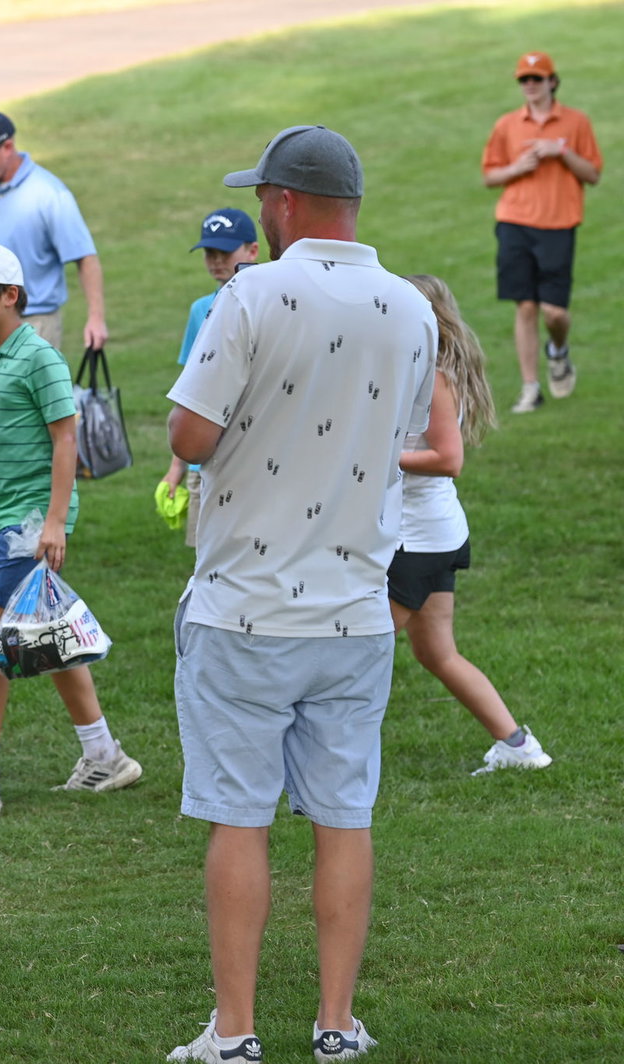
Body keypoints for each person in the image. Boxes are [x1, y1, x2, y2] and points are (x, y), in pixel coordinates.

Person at [164, 126, 435, 1063]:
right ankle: (335, 1024)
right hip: (357, 609)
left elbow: (190, 437)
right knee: (343, 817)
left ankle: (235, 1033)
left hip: (242, 605)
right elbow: (396, 436)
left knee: (240, 818)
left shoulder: (251, 292)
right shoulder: (410, 307)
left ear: (281, 202)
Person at [0, 241, 141, 816]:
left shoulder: (37, 357)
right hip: (16, 520)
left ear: (9, 296)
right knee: (46, 635)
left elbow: (66, 436)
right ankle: (104, 755)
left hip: (29, 523)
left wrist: (56, 522)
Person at [392, 275, 552, 777]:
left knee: (356, 656)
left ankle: (328, 765)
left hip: (416, 540)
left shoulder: (435, 376)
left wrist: (376, 457)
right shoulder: (419, 368)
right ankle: (518, 746)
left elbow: (448, 459)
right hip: (432, 534)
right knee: (437, 652)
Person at [480, 50, 602, 414]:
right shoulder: (507, 125)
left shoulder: (576, 123)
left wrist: (561, 152)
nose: (530, 86)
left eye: (536, 79)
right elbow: (490, 176)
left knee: (554, 312)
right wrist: (518, 167)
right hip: (514, 222)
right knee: (526, 306)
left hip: (558, 224)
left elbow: (593, 174)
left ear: (552, 81)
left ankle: (559, 351)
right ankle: (530, 388)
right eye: (524, 80)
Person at [0, 110, 103, 351]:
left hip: (34, 326)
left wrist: (96, 319)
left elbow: (85, 257)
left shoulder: (48, 193)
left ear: (7, 146)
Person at [160, 208, 260, 548]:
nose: (216, 261)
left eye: (225, 252)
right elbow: (192, 394)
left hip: (254, 458)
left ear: (253, 251)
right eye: (209, 253)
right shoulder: (200, 310)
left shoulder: (271, 302)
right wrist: (178, 466)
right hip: (203, 462)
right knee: (207, 555)